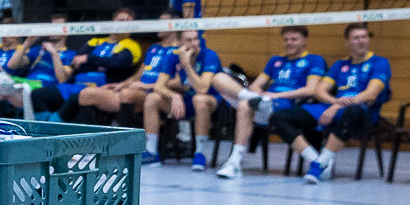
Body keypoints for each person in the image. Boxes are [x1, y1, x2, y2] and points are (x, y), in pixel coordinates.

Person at [217, 25, 329, 179]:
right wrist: (260, 93)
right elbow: (256, 85)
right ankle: (234, 161)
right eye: (286, 39)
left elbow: (311, 90)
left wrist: (276, 96)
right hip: (263, 103)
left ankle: (234, 162)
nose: (289, 43)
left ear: (305, 40)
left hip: (283, 107)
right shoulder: (275, 60)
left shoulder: (314, 60)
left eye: (294, 39)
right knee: (219, 79)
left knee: (244, 105)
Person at [294, 23, 391, 184]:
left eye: (364, 37)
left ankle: (319, 164)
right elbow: (319, 91)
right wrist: (333, 102)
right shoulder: (340, 65)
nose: (362, 41)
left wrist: (338, 106)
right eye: (356, 38)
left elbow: (371, 94)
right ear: (346, 42)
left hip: (363, 112)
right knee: (284, 116)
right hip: (335, 107)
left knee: (350, 113)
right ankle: (315, 157)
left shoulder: (379, 63)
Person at [142, 28, 223, 167]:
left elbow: (202, 89)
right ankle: (151, 151)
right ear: (179, 42)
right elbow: (158, 86)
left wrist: (186, 64)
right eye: (189, 40)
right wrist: (173, 95)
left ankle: (200, 153)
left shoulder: (209, 55)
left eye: (196, 39)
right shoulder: (173, 56)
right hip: (186, 101)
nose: (194, 43)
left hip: (210, 101)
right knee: (152, 98)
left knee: (199, 99)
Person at [80, 14, 178, 129]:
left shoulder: (179, 50)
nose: (157, 25)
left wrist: (147, 86)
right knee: (87, 94)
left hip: (155, 94)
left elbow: (179, 83)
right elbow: (138, 75)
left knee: (127, 94)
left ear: (175, 25)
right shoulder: (154, 48)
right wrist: (121, 84)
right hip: (136, 90)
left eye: (162, 22)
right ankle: (91, 139)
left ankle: (124, 137)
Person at [58, 7, 141, 122]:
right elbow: (77, 62)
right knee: (39, 96)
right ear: (112, 22)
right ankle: (41, 127)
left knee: (79, 97)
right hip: (75, 83)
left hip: (102, 86)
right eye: (120, 20)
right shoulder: (95, 41)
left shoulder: (132, 46)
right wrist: (100, 64)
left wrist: (88, 59)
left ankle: (52, 125)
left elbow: (116, 63)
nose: (123, 24)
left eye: (128, 22)